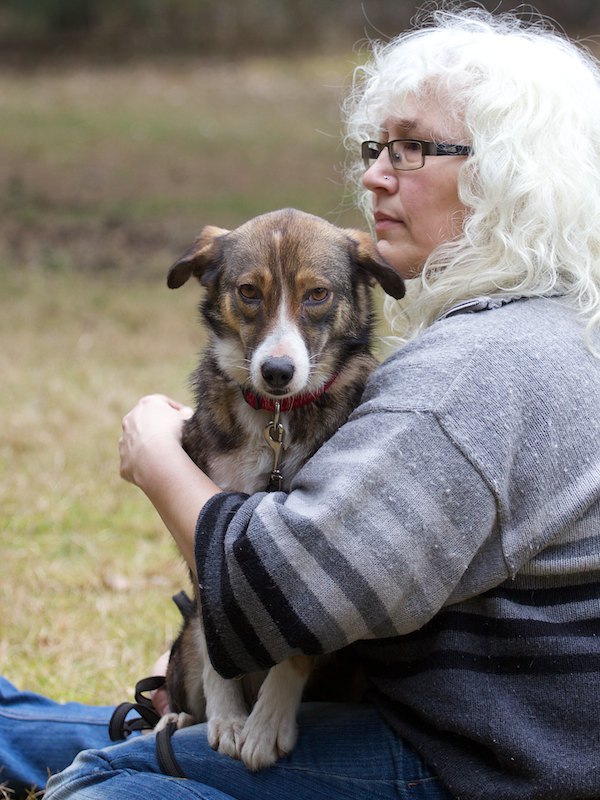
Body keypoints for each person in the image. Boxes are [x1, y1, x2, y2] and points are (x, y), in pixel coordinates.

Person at [38, 5, 600, 799]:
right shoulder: (555, 326)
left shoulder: (469, 377)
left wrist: (162, 460)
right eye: (377, 147)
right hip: (523, 733)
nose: (374, 175)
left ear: (512, 174)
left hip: (473, 758)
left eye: (413, 148)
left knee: (106, 779)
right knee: (104, 739)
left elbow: (292, 597)